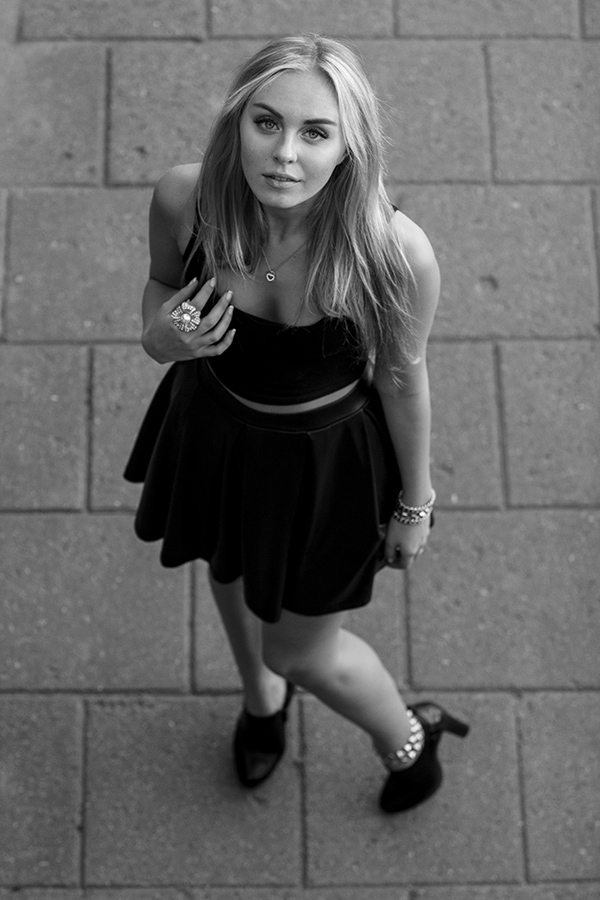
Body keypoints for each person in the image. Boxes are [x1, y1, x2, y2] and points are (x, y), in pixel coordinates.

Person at [125, 34, 468, 813]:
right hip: (216, 432)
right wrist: (160, 337)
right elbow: (159, 286)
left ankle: (409, 739)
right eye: (267, 123)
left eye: (316, 133)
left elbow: (401, 377)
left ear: (350, 147)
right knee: (228, 570)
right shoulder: (186, 198)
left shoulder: (392, 251)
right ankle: (261, 702)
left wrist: (415, 504)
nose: (285, 154)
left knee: (302, 650)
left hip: (326, 467)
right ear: (237, 119)